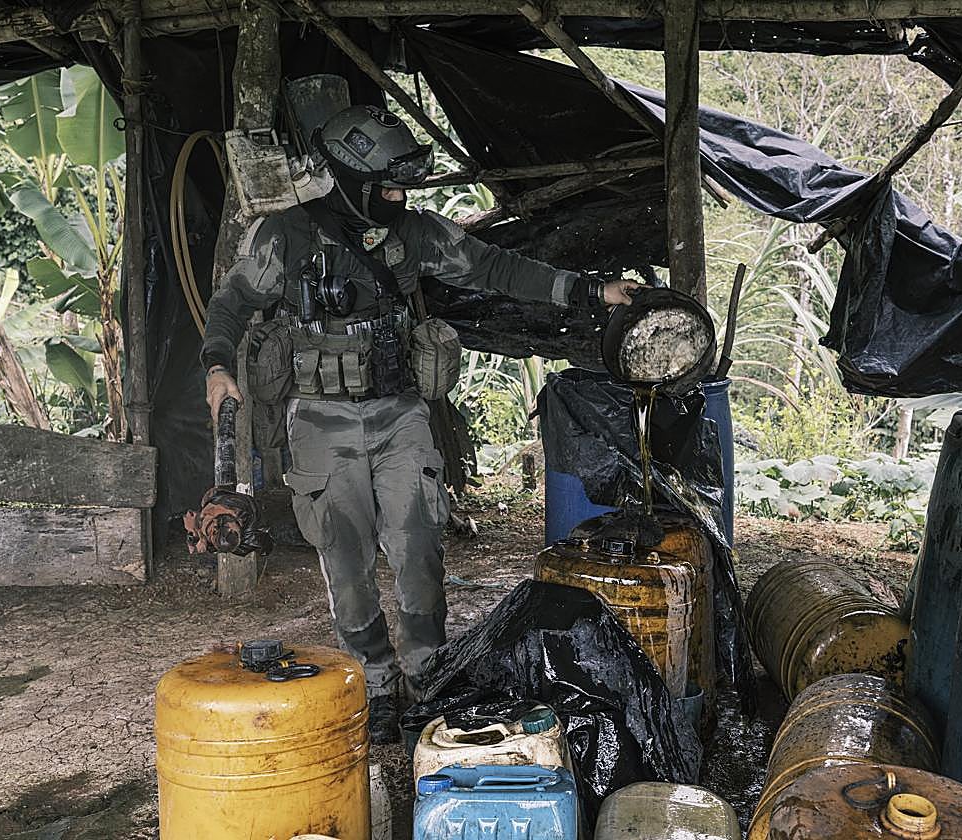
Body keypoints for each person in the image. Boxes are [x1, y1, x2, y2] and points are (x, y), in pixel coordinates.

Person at [201, 103, 639, 743]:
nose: (399, 196)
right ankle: (376, 681)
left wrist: (590, 292)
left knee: (418, 547)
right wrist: (218, 368)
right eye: (387, 185)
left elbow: (496, 268)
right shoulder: (285, 238)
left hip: (400, 413)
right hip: (318, 422)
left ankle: (427, 675)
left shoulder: (413, 234)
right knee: (345, 562)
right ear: (350, 178)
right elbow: (231, 303)